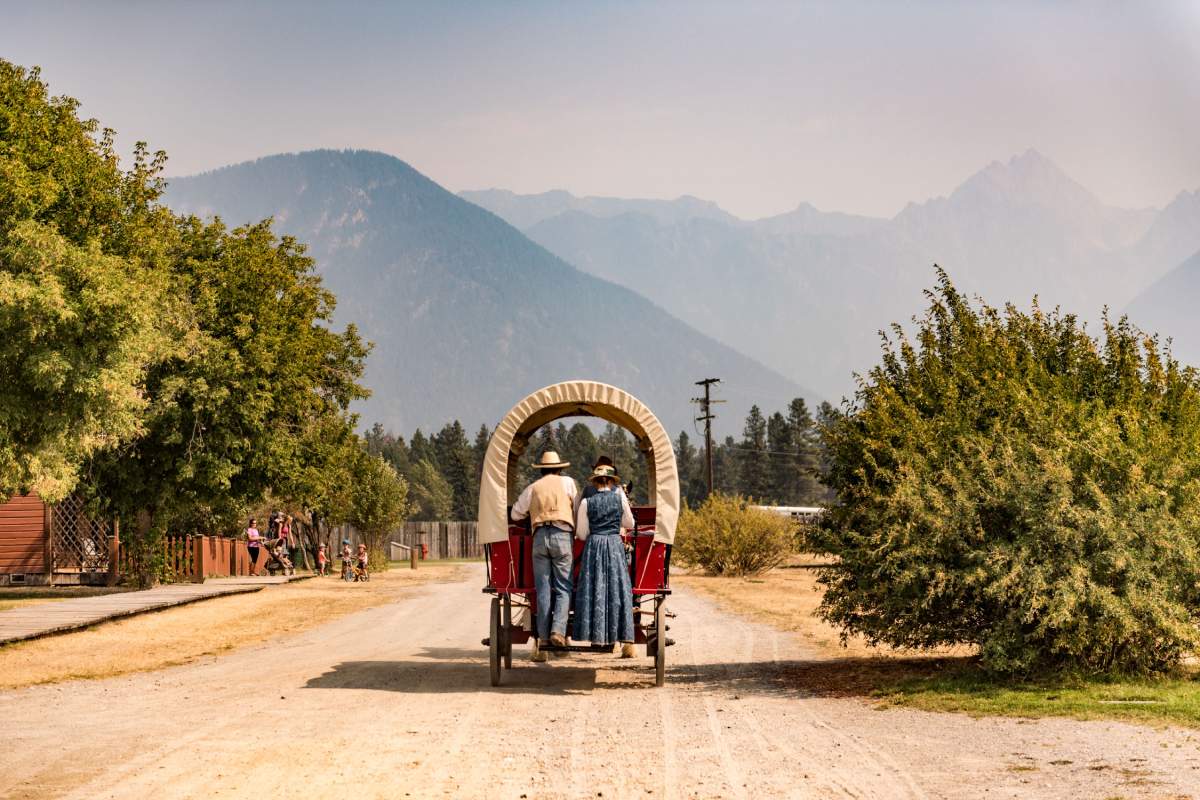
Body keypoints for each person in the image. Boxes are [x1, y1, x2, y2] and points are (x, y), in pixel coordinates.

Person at [511, 450, 579, 661]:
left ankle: (542, 639)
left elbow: (515, 514)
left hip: (539, 537)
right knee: (563, 587)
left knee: (542, 589)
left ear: (542, 469)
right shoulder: (567, 483)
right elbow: (576, 509)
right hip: (562, 535)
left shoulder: (533, 487)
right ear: (560, 468)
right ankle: (558, 631)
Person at [573, 464, 636, 654]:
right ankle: (618, 632)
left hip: (594, 546)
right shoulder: (619, 498)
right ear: (611, 481)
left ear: (595, 482)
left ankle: (595, 634)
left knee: (594, 588)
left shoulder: (586, 503)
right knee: (616, 588)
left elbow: (582, 534)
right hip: (614, 545)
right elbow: (629, 523)